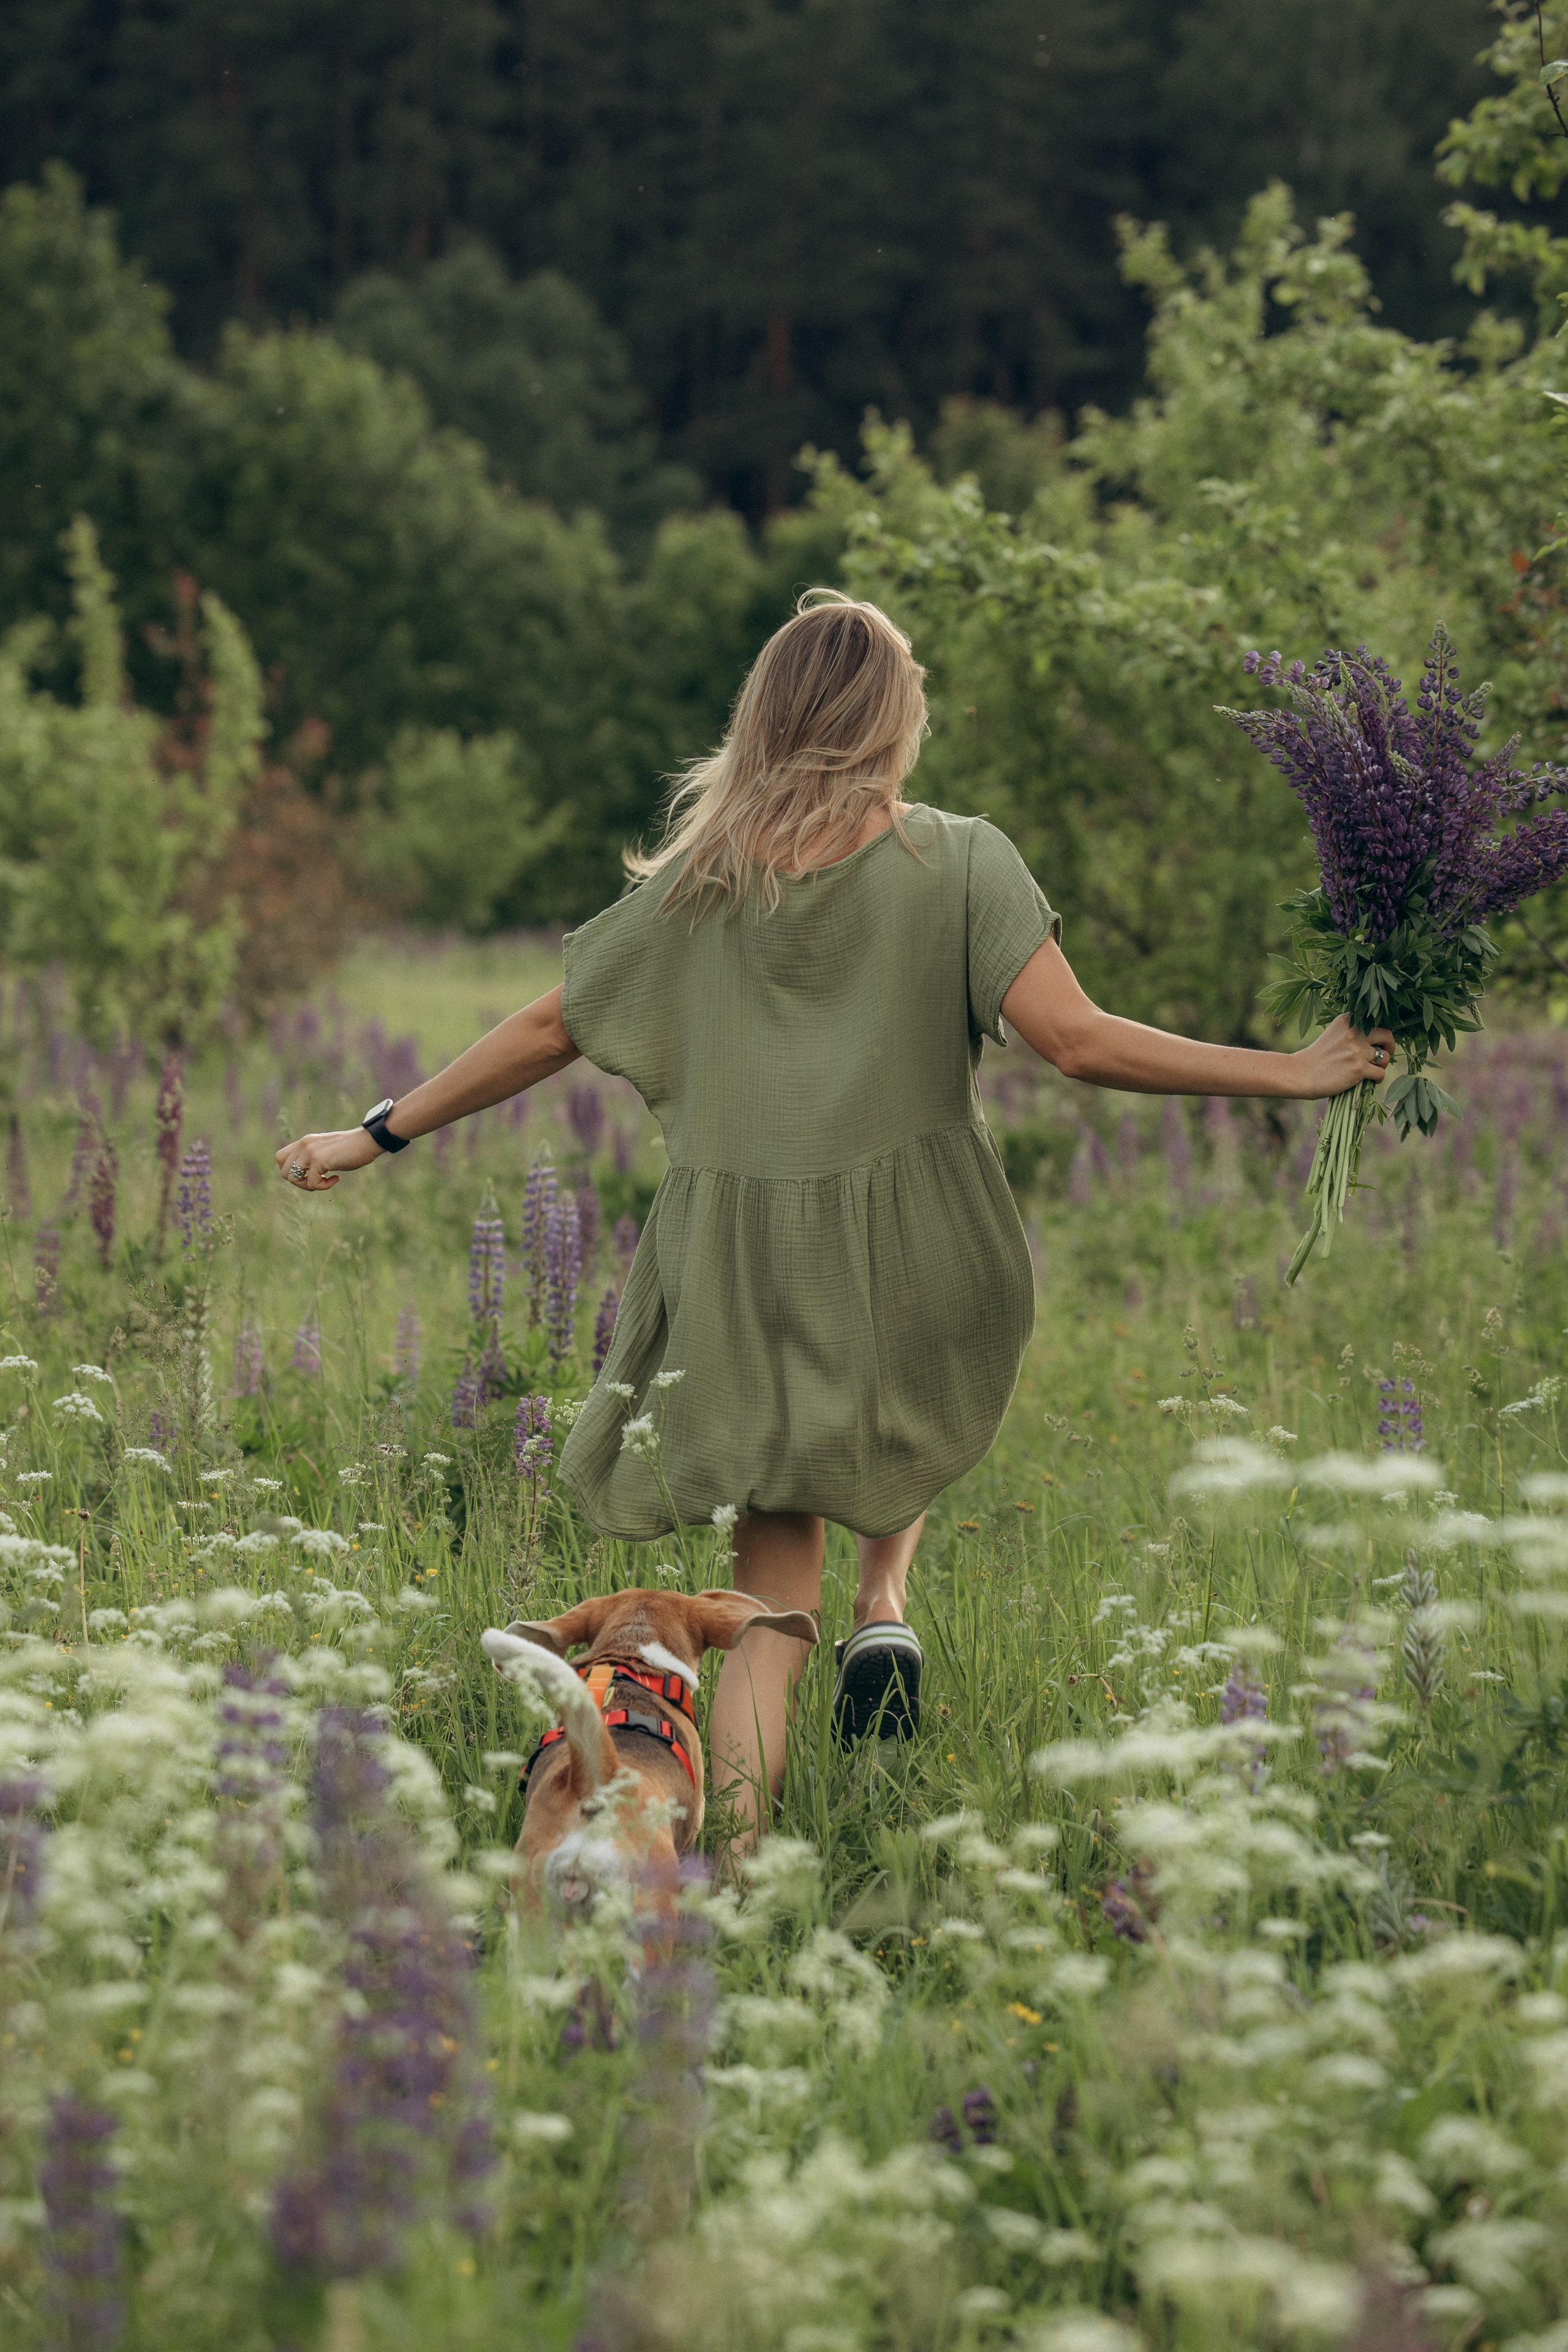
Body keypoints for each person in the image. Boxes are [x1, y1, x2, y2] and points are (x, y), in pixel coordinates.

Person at [277, 592, 1393, 1845]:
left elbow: (550, 1025)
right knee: (891, 1404)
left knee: (768, 1595)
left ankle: (737, 1850)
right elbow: (1077, 1043)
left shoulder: (699, 886)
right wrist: (1290, 1070)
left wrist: (376, 1133)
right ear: (894, 722)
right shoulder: (960, 860)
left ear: (764, 717)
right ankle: (887, 1602)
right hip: (920, 1238)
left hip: (740, 1266)